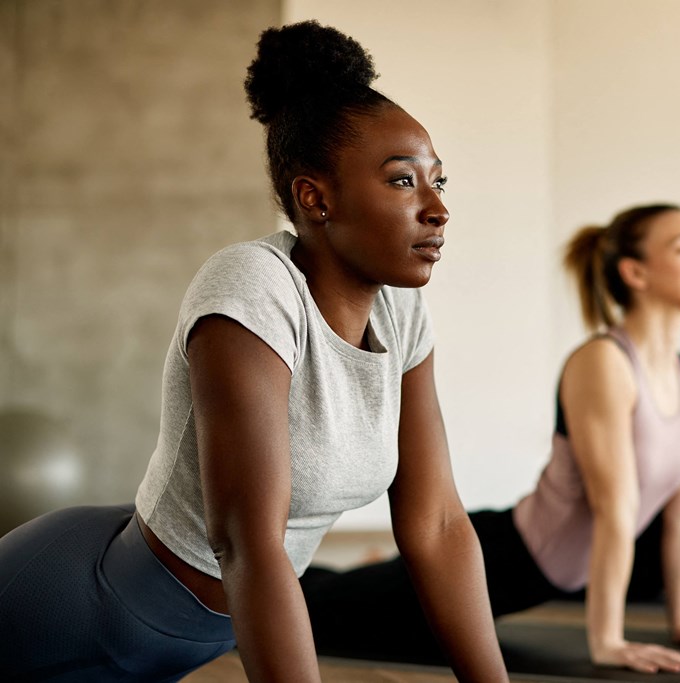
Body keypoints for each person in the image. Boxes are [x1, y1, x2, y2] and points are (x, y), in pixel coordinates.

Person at [0, 21, 508, 683]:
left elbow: (436, 524)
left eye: (439, 180)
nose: (438, 208)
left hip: (178, 640)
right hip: (79, 611)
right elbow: (246, 543)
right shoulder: (251, 285)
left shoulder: (401, 310)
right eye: (403, 182)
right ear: (315, 196)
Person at [300, 204, 680, 675]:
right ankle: (266, 577)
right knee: (321, 610)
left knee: (348, 603)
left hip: (547, 576)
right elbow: (615, 509)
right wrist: (608, 641)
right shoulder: (605, 362)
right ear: (635, 272)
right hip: (501, 560)